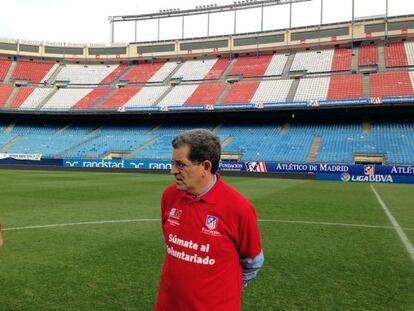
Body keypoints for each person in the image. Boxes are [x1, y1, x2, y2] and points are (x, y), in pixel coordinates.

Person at [154, 129, 264, 311]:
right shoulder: (169, 196)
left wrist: (225, 288)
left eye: (180, 164)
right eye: (172, 163)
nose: (173, 171)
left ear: (205, 167)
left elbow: (253, 262)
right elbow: (171, 243)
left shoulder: (238, 208)